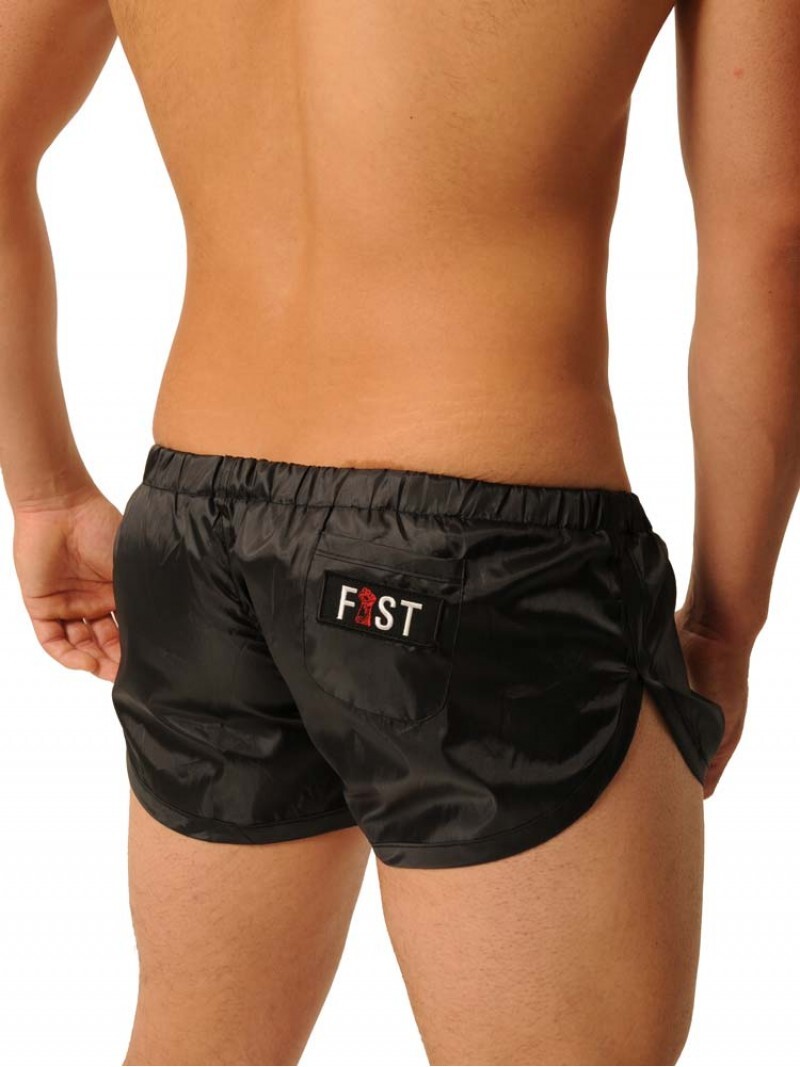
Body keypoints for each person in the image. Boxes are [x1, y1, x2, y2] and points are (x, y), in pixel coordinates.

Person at [1, 1, 797, 1064]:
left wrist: (45, 491)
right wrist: (727, 620)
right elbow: (769, 238)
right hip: (481, 552)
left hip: (196, 530)